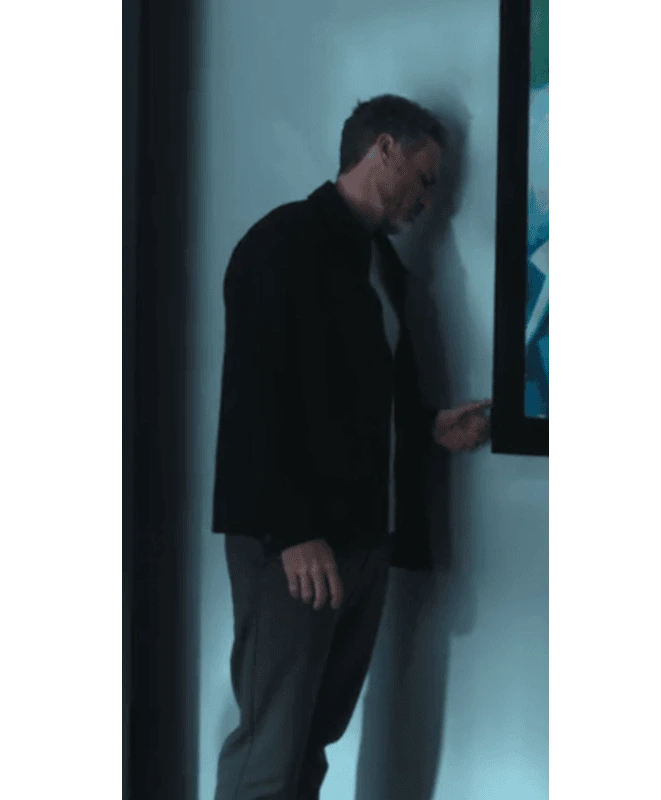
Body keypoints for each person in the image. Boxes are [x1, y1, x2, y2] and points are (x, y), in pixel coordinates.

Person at [211, 94, 491, 800]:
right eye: (426, 179)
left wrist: (430, 427)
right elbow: (253, 396)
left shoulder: (380, 265)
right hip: (296, 545)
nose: (430, 200)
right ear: (384, 149)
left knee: (311, 743)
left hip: (362, 542)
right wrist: (293, 531)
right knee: (270, 749)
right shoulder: (283, 243)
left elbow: (353, 404)